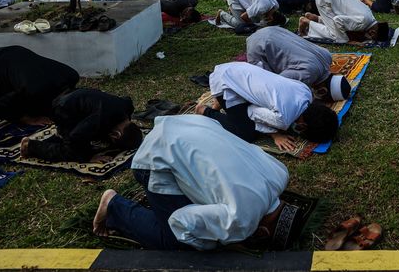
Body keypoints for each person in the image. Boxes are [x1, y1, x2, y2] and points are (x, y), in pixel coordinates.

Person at [92, 115, 290, 250]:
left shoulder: (280, 174)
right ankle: (115, 205)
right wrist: (214, 241)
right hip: (154, 159)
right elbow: (180, 221)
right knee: (172, 239)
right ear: (262, 232)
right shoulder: (240, 221)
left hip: (189, 124)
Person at [200, 62, 339, 151]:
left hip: (237, 68)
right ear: (303, 126)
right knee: (245, 132)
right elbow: (251, 112)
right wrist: (275, 135)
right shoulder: (283, 120)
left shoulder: (307, 93)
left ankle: (221, 101)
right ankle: (205, 110)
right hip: (225, 82)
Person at [20, 88, 142, 163]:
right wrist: (89, 156)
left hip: (76, 95)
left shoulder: (126, 107)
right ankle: (30, 146)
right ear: (116, 134)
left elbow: (127, 99)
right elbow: (76, 137)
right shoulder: (99, 120)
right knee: (72, 152)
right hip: (63, 110)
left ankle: (61, 133)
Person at [246, 26, 350, 102]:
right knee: (262, 84)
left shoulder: (327, 56)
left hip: (274, 29)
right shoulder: (307, 75)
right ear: (322, 91)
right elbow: (277, 84)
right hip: (258, 44)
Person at [0, 46, 79, 123]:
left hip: (13, 56)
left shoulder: (72, 76)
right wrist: (28, 119)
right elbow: (2, 104)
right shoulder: (35, 89)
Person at [299, 0, 385, 44]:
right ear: (372, 32)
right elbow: (337, 20)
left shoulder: (370, 16)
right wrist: (347, 41)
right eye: (371, 38)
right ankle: (306, 22)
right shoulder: (363, 23)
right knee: (334, 35)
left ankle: (316, 18)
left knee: (336, 26)